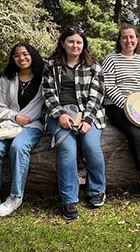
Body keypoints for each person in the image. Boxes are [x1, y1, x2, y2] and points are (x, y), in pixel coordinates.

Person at [42, 27, 106, 220]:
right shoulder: (51, 65)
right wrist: (60, 114)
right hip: (58, 115)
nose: (75, 45)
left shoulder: (93, 66)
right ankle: (69, 200)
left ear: (83, 45)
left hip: (89, 115)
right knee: (67, 148)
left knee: (91, 146)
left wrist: (87, 120)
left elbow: (97, 96)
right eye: (70, 41)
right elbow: (48, 93)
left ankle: (96, 190)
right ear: (63, 43)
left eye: (79, 42)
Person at [102, 23, 140, 198]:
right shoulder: (111, 59)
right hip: (117, 106)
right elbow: (109, 86)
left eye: (132, 37)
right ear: (119, 40)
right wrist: (129, 107)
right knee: (135, 134)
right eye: (124, 37)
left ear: (137, 39)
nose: (129, 40)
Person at [0, 43, 44, 217]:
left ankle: (16, 197)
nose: (21, 58)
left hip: (32, 126)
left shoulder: (43, 78)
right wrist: (14, 117)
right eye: (17, 55)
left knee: (19, 146)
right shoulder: (7, 79)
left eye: (25, 54)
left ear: (32, 55)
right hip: (8, 126)